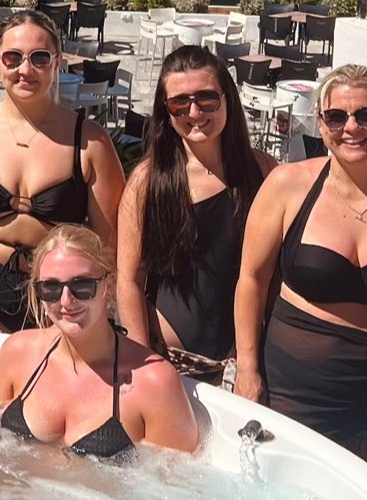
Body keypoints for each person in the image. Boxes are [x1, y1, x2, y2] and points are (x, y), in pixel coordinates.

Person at [231, 66, 367, 464]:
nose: (351, 127)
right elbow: (251, 280)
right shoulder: (288, 185)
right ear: (321, 126)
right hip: (291, 390)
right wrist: (247, 370)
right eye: (337, 117)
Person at [0, 11, 124, 332]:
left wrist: (90, 318)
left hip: (59, 305)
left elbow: (110, 248)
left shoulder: (91, 142)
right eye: (13, 58)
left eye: (39, 58)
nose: (26, 70)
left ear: (57, 62)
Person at [117, 45, 276, 361]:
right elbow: (129, 279)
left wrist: (249, 362)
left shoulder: (263, 171)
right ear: (167, 111)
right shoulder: (148, 181)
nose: (194, 113)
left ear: (226, 99)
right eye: (180, 103)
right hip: (170, 361)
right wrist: (142, 360)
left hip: (243, 362)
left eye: (206, 98)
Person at [0, 225, 198, 456]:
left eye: (82, 285)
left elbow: (179, 481)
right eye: (51, 287)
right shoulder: (18, 353)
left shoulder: (155, 382)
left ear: (108, 287)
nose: (66, 301)